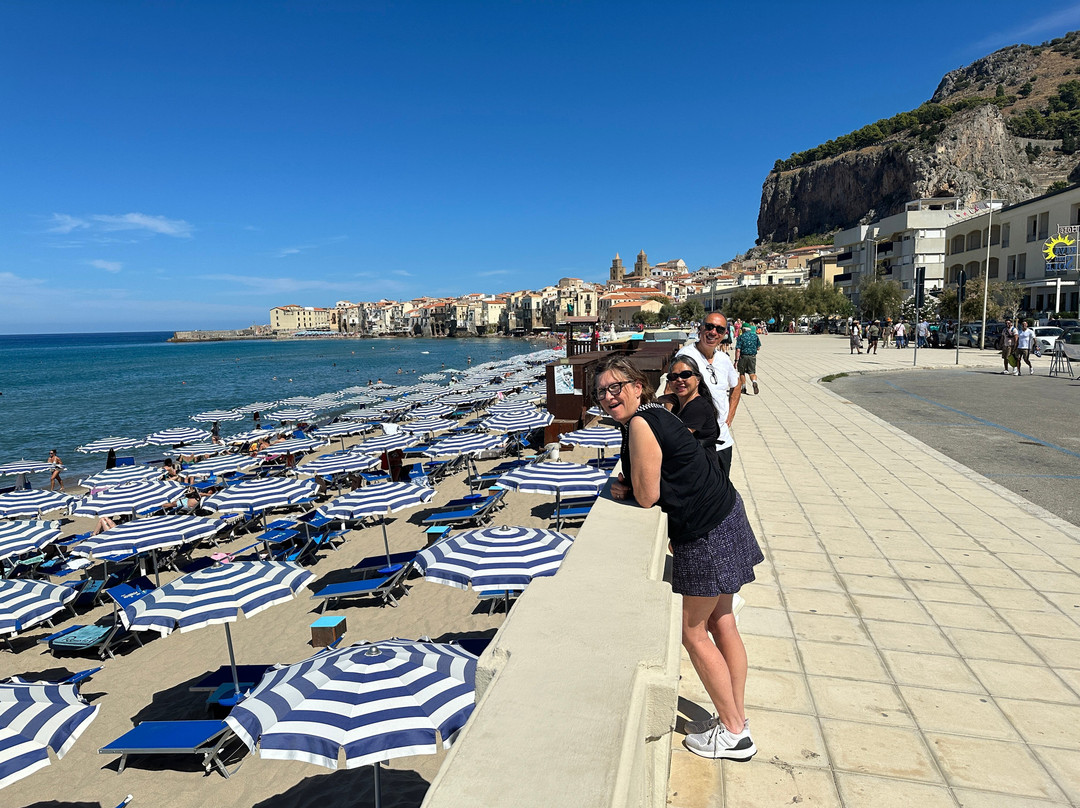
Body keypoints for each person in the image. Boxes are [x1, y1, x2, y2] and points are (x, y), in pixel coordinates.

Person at [596, 356, 763, 761]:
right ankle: (736, 717)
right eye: (601, 392)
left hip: (705, 532)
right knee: (722, 621)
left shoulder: (640, 423)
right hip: (726, 512)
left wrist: (628, 488)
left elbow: (648, 495)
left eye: (616, 387)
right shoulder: (658, 413)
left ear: (638, 387)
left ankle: (735, 734)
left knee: (693, 633)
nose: (609, 397)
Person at [677, 312, 742, 477]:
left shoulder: (724, 359)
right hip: (697, 442)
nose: (713, 332)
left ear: (724, 334)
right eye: (710, 326)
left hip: (722, 442)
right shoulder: (686, 356)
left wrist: (730, 415)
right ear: (701, 328)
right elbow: (671, 391)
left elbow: (736, 385)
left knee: (722, 486)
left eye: (719, 329)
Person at [658, 356, 719, 450]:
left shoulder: (697, 407)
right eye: (673, 376)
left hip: (698, 458)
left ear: (697, 379)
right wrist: (661, 400)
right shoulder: (680, 404)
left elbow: (674, 440)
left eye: (685, 374)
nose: (679, 380)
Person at [734, 323, 761, 395]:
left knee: (742, 372)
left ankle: (743, 388)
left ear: (743, 329)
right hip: (752, 356)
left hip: (743, 356)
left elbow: (738, 350)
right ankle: (754, 382)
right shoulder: (755, 336)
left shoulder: (741, 337)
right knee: (752, 372)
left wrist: (736, 360)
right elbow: (758, 347)